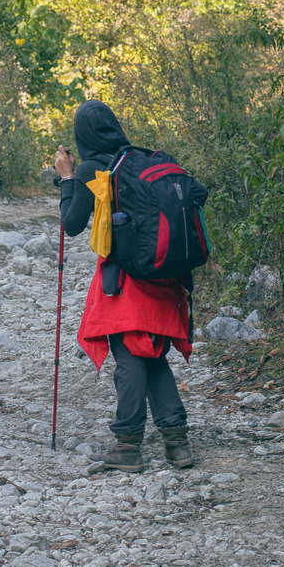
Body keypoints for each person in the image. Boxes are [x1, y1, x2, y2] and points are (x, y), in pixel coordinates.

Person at [54, 100, 195, 473]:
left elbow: (71, 223)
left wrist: (69, 179)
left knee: (130, 358)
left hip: (126, 280)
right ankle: (177, 443)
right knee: (153, 353)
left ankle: (128, 445)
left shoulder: (92, 167)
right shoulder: (141, 160)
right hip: (164, 274)